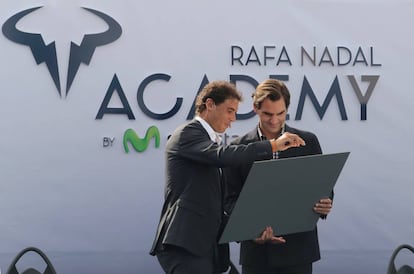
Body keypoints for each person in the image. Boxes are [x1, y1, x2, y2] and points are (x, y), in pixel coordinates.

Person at [149, 80, 306, 274]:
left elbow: (215, 205)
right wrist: (272, 145)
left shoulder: (207, 142)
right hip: (186, 245)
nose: (233, 119)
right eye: (230, 111)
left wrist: (252, 232)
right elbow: (224, 156)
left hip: (206, 247)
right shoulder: (188, 134)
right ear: (210, 104)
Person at [224, 79, 333, 274]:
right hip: (256, 254)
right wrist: (251, 232)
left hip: (298, 252)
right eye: (267, 114)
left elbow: (324, 188)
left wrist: (325, 203)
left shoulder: (307, 142)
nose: (274, 120)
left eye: (280, 113)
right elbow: (229, 200)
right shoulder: (238, 148)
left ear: (287, 109)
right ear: (255, 109)